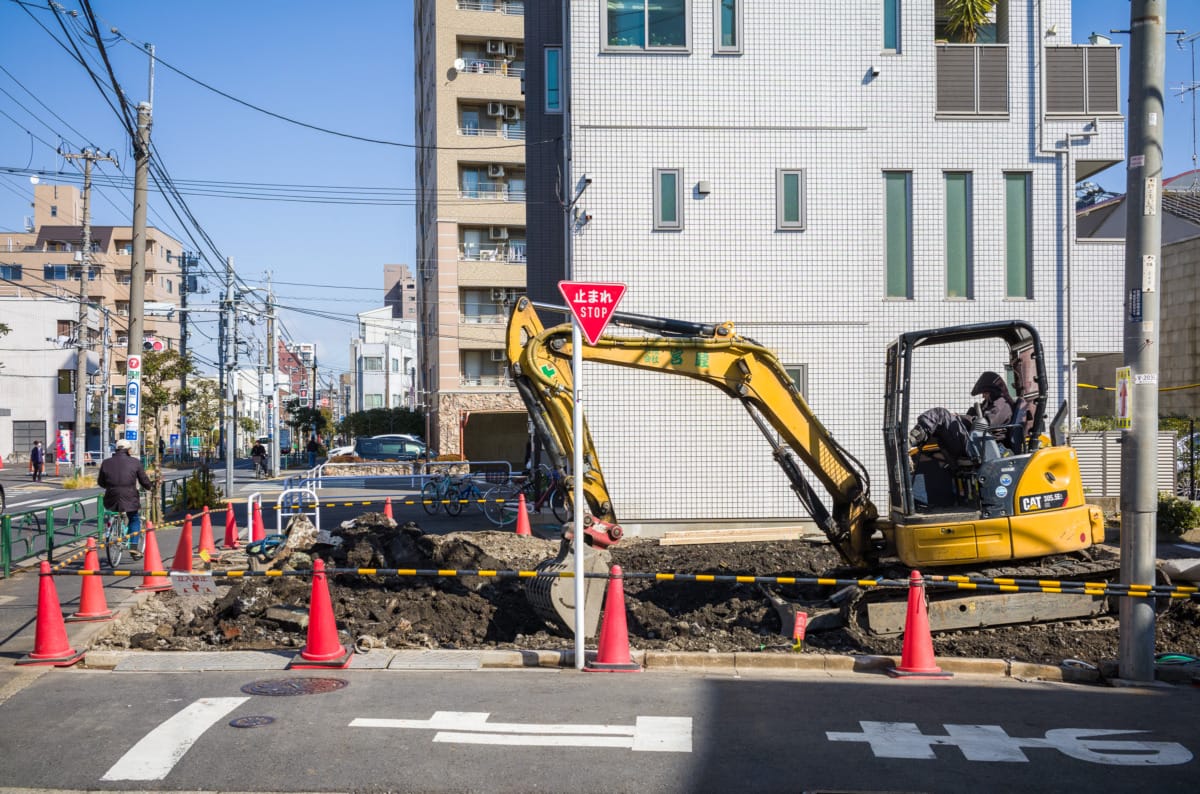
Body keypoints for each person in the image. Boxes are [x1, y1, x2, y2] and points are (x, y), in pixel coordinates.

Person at [97, 439, 155, 558]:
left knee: (115, 512)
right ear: (128, 450)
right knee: (134, 518)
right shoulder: (135, 462)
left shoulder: (106, 462)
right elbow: (143, 479)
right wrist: (150, 487)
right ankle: (133, 547)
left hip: (111, 496)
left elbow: (101, 481)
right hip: (129, 495)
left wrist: (111, 487)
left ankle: (113, 527)